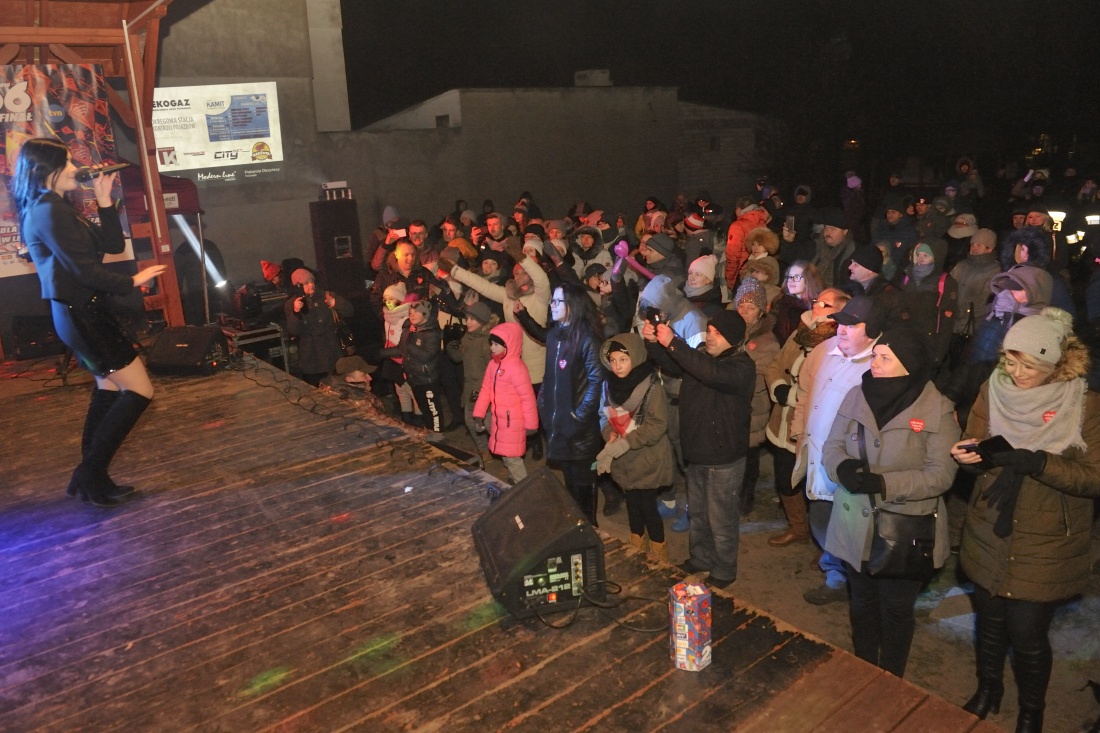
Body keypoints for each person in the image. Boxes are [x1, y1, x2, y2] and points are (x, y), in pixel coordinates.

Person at [953, 308, 1100, 733]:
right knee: (989, 623)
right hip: (990, 523)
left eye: (1029, 366)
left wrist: (1040, 463)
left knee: (1028, 637)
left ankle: (1031, 712)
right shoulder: (992, 389)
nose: (1017, 374)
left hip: (1047, 538)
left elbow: (1094, 477)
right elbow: (977, 443)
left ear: (1055, 363)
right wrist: (969, 457)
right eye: (1010, 361)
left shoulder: (1085, 404)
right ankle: (989, 689)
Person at [13, 137, 167, 507]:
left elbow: (111, 245)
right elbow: (84, 271)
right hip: (81, 314)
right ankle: (90, 473)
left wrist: (103, 199)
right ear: (46, 169)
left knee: (109, 389)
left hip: (81, 312)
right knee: (140, 391)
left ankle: (93, 478)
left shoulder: (55, 206)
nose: (74, 168)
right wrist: (133, 281)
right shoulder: (47, 210)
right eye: (67, 162)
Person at [822, 328, 959, 678]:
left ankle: (891, 680)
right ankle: (865, 670)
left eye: (885, 358)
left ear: (908, 365)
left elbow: (941, 475)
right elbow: (832, 446)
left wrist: (885, 483)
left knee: (895, 609)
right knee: (861, 601)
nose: (875, 363)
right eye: (875, 355)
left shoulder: (937, 409)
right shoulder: (857, 394)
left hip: (905, 529)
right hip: (855, 523)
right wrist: (841, 468)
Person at [644, 310, 755, 589]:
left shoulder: (741, 366)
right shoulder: (702, 356)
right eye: (710, 330)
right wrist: (654, 342)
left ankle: (724, 569)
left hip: (723, 458)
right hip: (697, 451)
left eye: (718, 333)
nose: (711, 336)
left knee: (721, 519)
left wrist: (673, 342)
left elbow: (710, 373)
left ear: (733, 339)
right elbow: (674, 364)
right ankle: (701, 559)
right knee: (698, 514)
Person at [792, 295, 879, 604]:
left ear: (872, 330)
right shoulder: (824, 350)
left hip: (847, 465)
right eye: (841, 323)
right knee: (820, 516)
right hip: (815, 457)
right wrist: (798, 432)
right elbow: (805, 391)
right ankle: (835, 575)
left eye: (852, 325)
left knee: (851, 528)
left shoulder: (878, 365)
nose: (842, 329)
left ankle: (855, 583)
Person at [765, 288, 849, 546]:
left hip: (810, 426)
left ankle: (824, 544)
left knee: (817, 487)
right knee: (785, 479)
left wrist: (795, 396)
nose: (816, 306)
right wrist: (778, 387)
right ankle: (798, 528)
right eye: (817, 301)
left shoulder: (839, 344)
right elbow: (775, 364)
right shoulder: (799, 333)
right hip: (782, 422)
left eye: (825, 304)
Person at [596, 332, 676, 563]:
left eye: (623, 359)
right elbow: (603, 415)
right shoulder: (608, 385)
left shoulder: (651, 387)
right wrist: (609, 433)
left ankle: (659, 553)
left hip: (647, 457)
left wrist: (627, 442)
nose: (617, 366)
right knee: (632, 504)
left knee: (648, 506)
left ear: (637, 357)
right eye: (613, 360)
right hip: (624, 459)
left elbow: (657, 425)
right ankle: (637, 546)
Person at [536, 283, 606, 524]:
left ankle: (590, 529)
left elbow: (596, 382)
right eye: (552, 300)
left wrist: (578, 416)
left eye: (558, 301)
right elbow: (549, 377)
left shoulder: (587, 338)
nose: (552, 305)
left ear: (573, 305)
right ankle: (576, 528)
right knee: (569, 484)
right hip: (558, 424)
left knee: (584, 485)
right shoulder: (553, 335)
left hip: (580, 429)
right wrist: (543, 405)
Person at [472, 322, 538, 484]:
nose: (492, 348)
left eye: (496, 345)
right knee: (506, 454)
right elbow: (486, 390)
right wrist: (479, 414)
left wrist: (531, 424)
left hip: (513, 422)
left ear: (509, 345)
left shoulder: (516, 368)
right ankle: (513, 480)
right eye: (491, 344)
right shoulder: (493, 365)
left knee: (513, 458)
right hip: (499, 420)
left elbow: (528, 398)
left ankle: (523, 488)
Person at [447, 301, 498, 467]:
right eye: (467, 318)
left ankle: (502, 452)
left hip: (483, 390)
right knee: (470, 422)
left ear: (482, 321)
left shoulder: (487, 341)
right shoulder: (467, 337)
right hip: (469, 388)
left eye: (472, 319)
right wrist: (451, 349)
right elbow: (458, 358)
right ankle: (484, 450)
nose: (467, 322)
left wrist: (481, 389)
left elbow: (492, 369)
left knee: (489, 424)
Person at [284, 268, 354, 387]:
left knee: (338, 388)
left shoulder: (326, 296)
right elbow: (293, 330)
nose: (311, 285)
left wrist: (335, 303)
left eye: (312, 281)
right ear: (298, 286)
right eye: (306, 283)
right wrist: (296, 312)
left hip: (332, 352)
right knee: (315, 390)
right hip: (310, 356)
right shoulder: (291, 304)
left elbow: (350, 311)